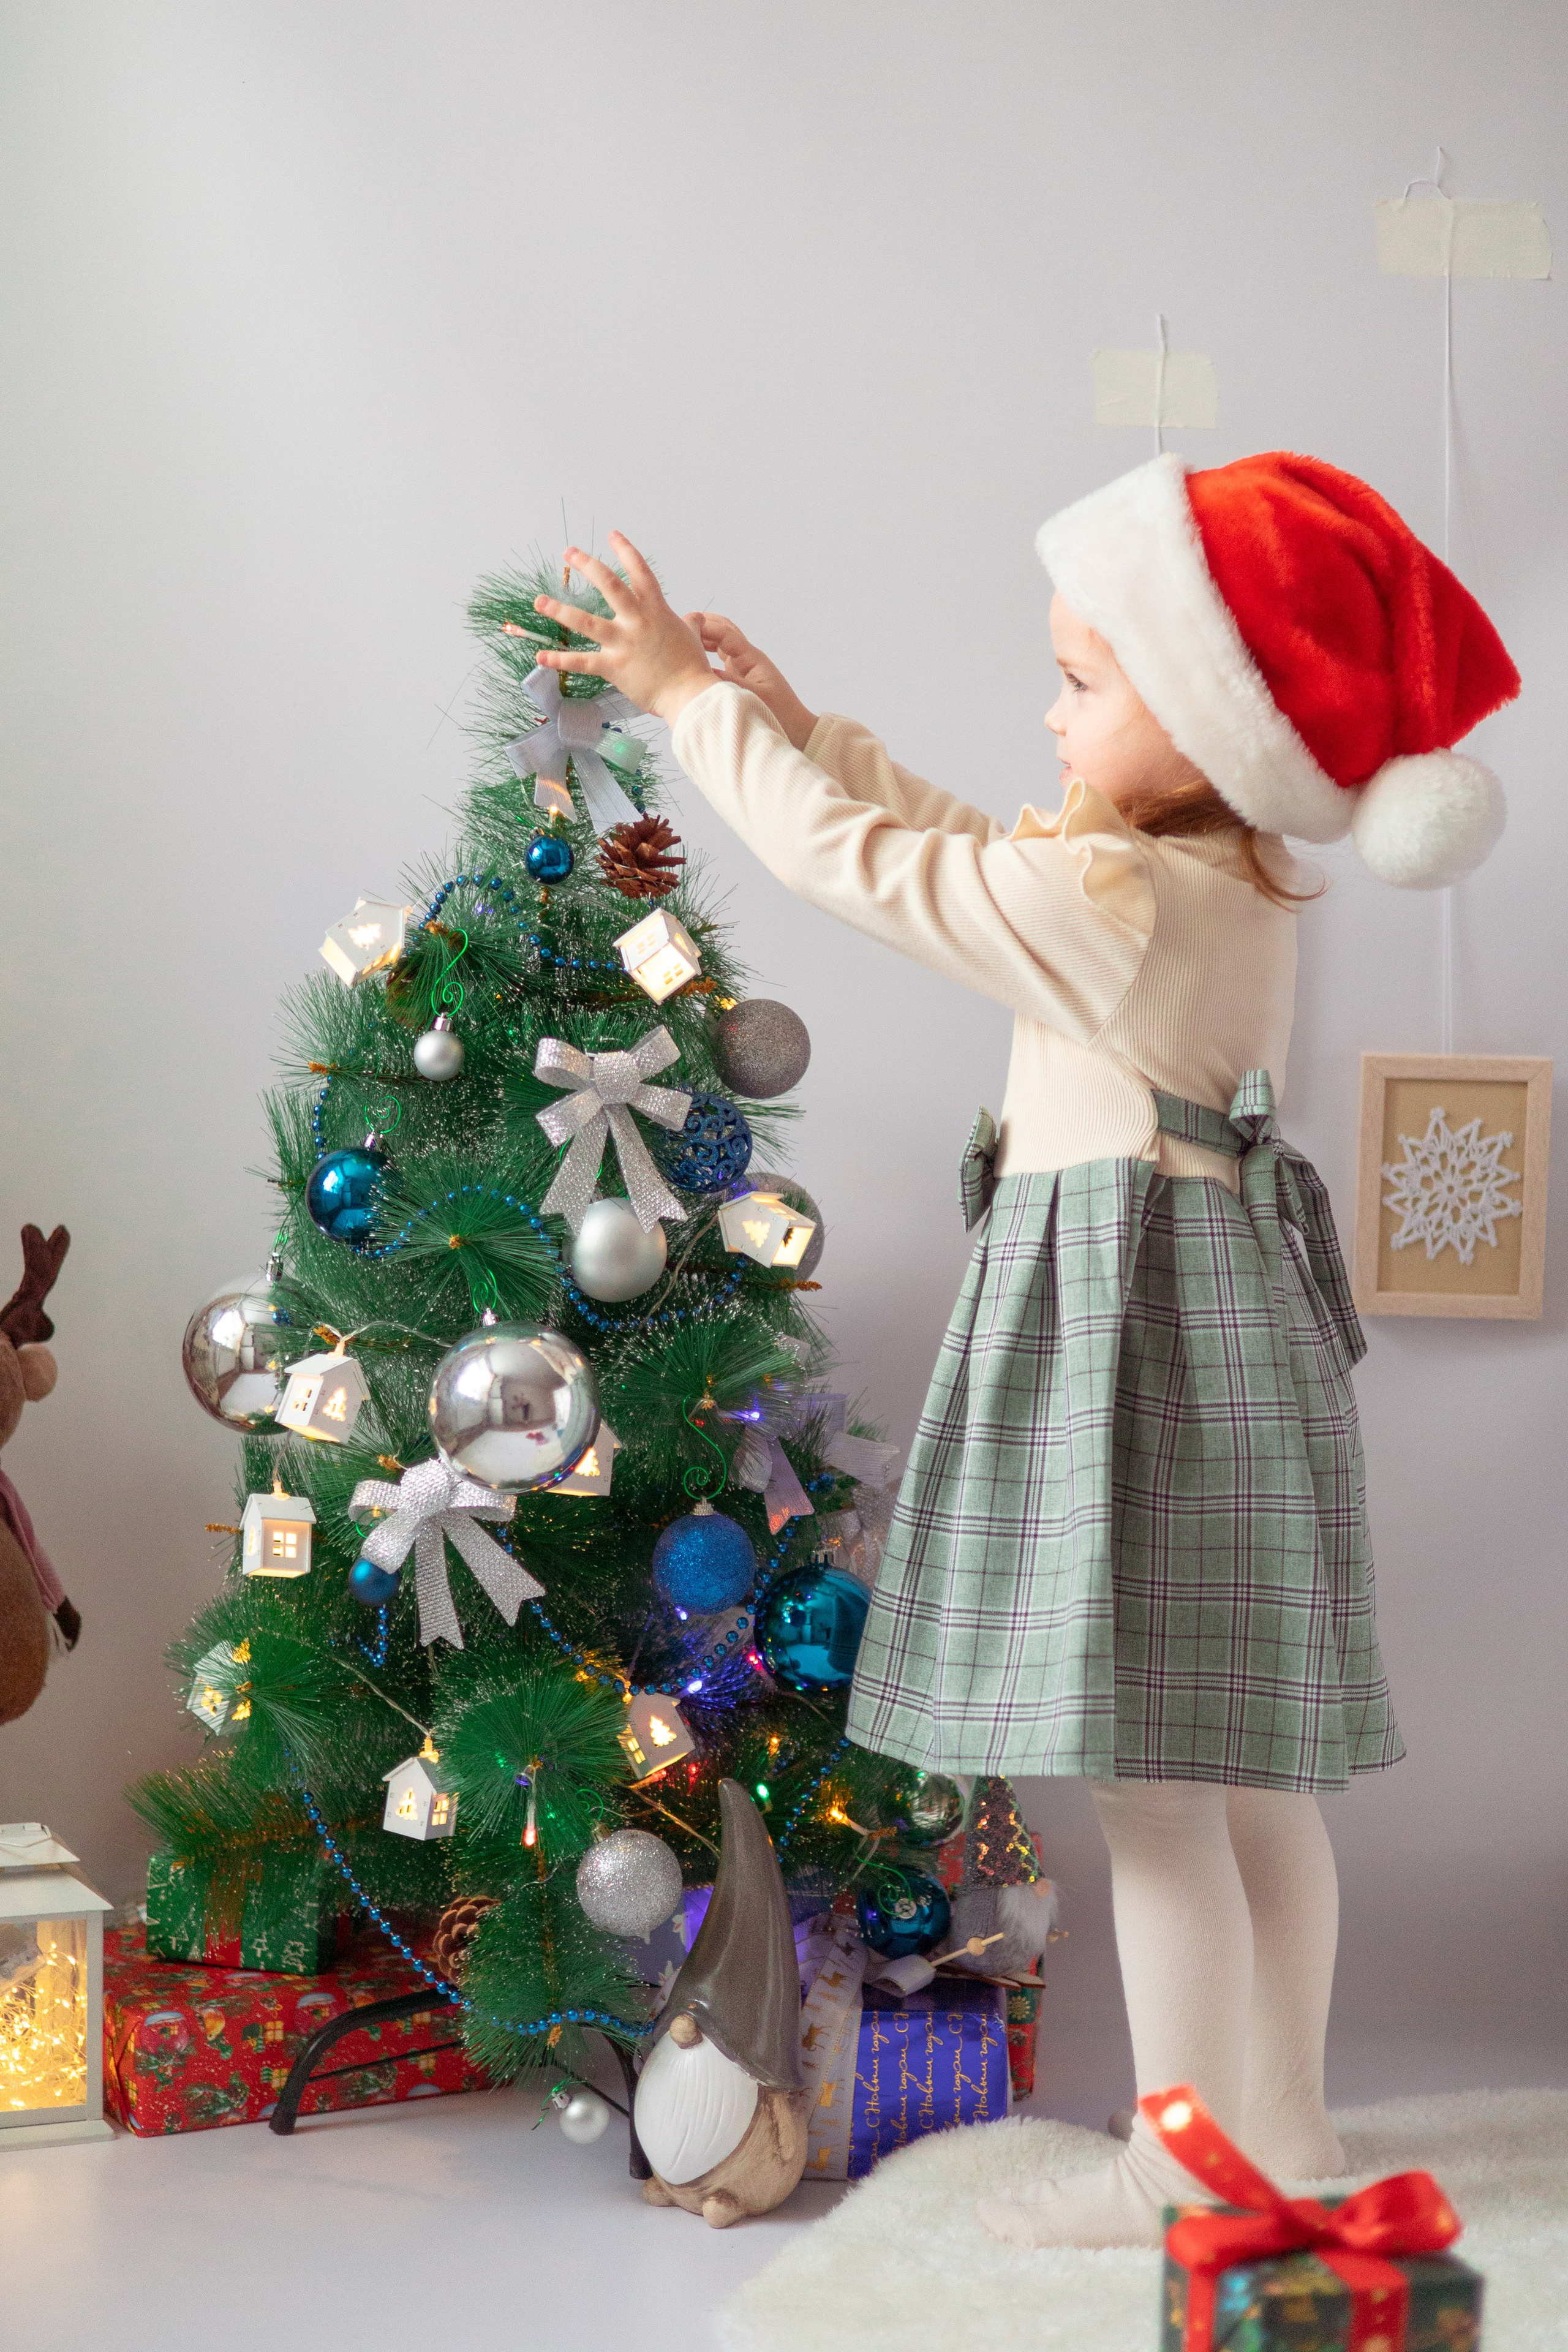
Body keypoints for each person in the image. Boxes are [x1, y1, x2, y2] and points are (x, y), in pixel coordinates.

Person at [528, 451, 1520, 2245]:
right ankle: (1278, 2136)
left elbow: (887, 878)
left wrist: (690, 705)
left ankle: (1182, 2154)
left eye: (1083, 681)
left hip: (1130, 1346)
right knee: (1251, 1781)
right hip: (1221, 1330)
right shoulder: (1210, 877)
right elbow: (972, 848)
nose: (1049, 712)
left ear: (1212, 723)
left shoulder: (1121, 901)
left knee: (1153, 1793)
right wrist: (803, 720)